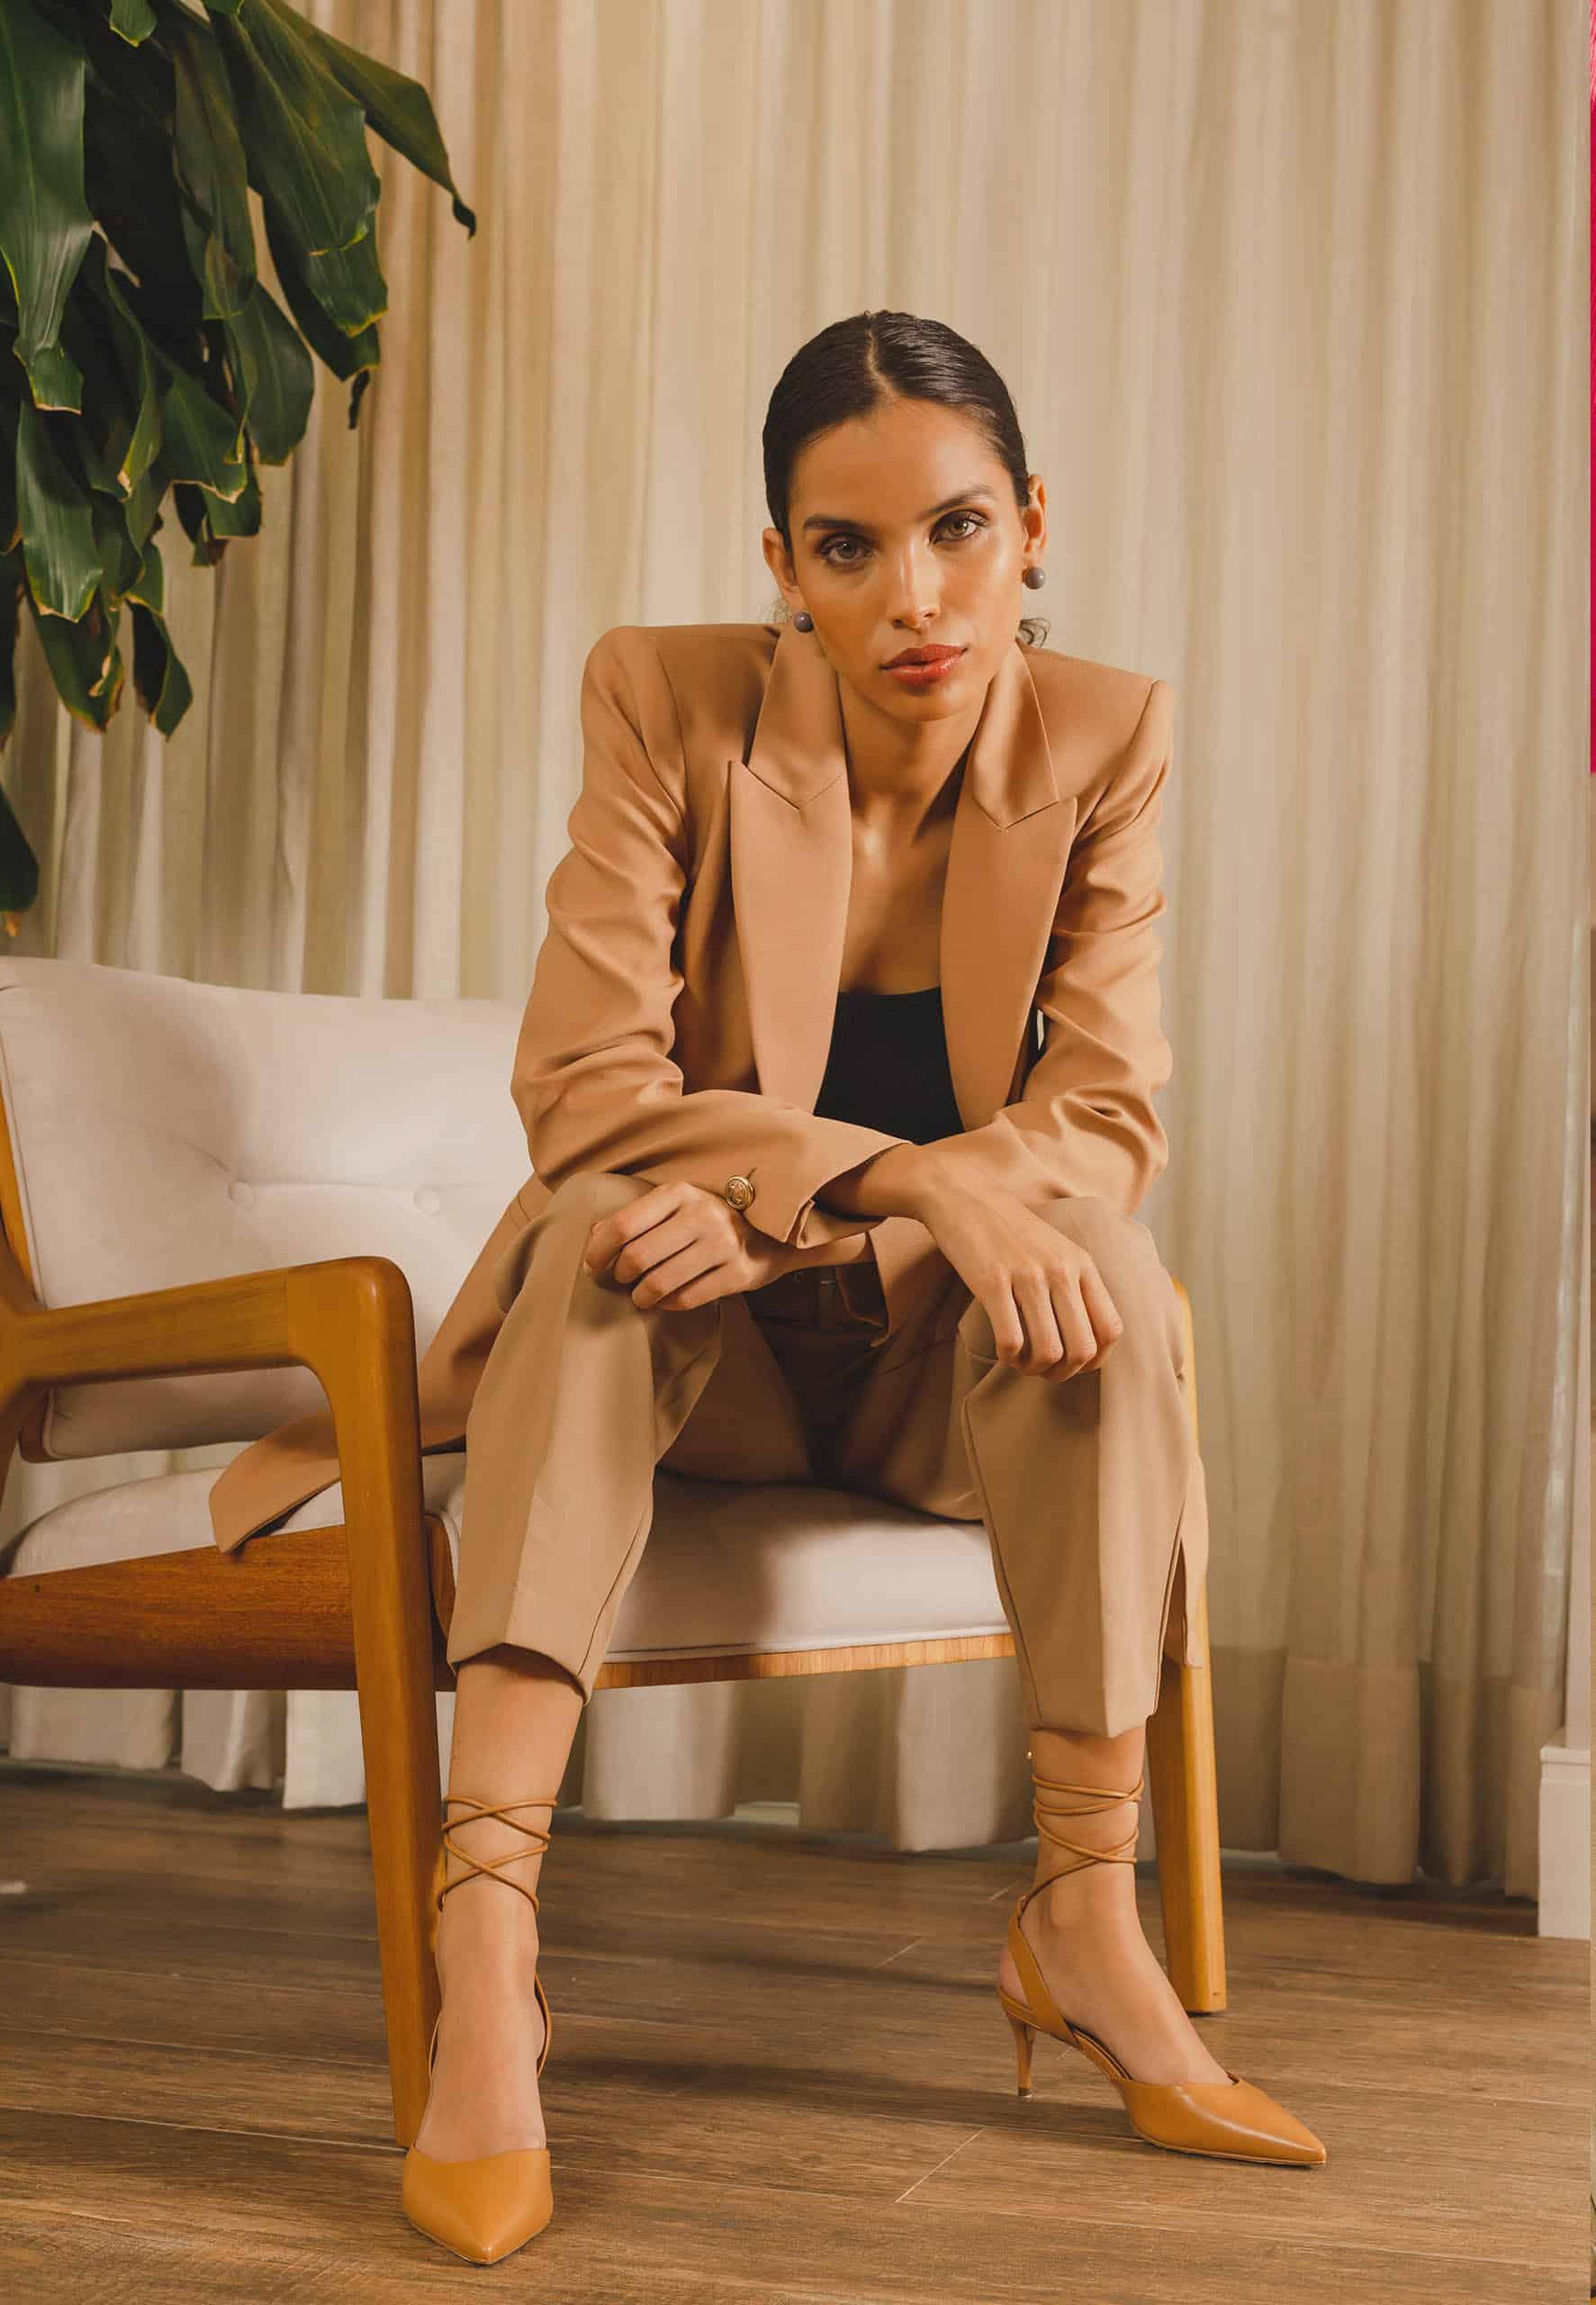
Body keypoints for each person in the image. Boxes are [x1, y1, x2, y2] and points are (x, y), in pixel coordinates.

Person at [386, 309, 1329, 2263]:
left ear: (1031, 523)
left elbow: (1104, 1111)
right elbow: (585, 1088)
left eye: (958, 529)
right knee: (601, 1239)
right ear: (781, 565)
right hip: (690, 1362)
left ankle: (1083, 1914)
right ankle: (486, 1939)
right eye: (847, 546)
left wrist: (816, 1218)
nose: (914, 596)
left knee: (1097, 1262)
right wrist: (895, 1181)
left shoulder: (1104, 736)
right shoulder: (668, 703)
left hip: (925, 1390)